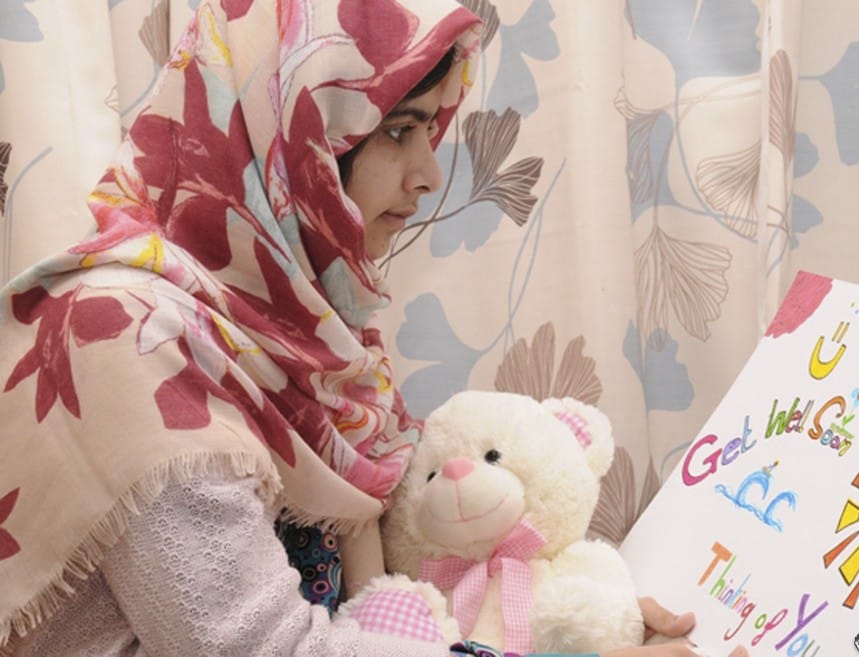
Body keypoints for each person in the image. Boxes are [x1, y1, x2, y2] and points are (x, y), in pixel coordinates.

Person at [0, 1, 746, 656]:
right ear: (289, 134)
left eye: (428, 131)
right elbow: (256, 647)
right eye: (397, 130)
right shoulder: (125, 336)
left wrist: (581, 625)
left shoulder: (307, 328)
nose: (428, 174)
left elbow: (395, 577)